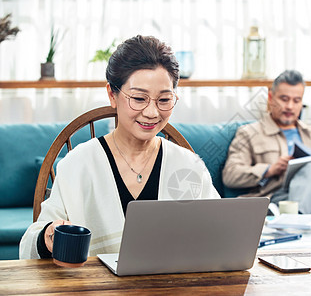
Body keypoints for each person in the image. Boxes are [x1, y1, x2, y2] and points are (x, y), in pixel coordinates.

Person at [20, 35, 220, 259]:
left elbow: (221, 231)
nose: (152, 113)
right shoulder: (78, 164)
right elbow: (29, 246)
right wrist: (48, 235)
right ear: (111, 95)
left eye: (164, 100)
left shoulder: (188, 165)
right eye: (138, 98)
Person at [222, 70, 311, 214]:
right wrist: (269, 169)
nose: (290, 106)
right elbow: (230, 175)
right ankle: (300, 220)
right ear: (271, 98)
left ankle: (293, 221)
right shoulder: (249, 133)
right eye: (284, 99)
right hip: (280, 198)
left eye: (296, 100)